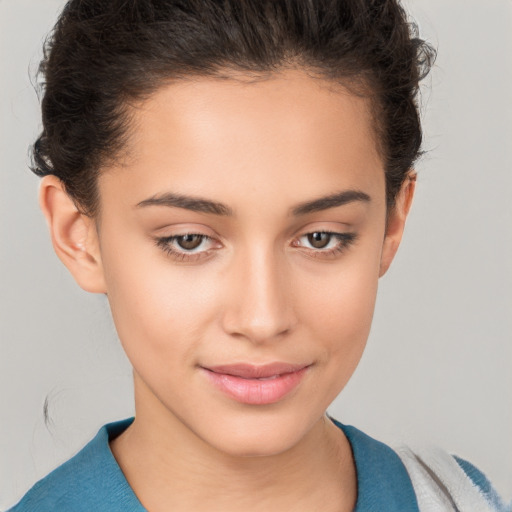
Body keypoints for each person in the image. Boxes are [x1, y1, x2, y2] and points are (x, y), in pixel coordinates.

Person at [5, 0, 509, 511]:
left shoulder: (464, 500)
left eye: (321, 237)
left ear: (391, 224)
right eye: (189, 240)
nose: (262, 319)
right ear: (78, 235)